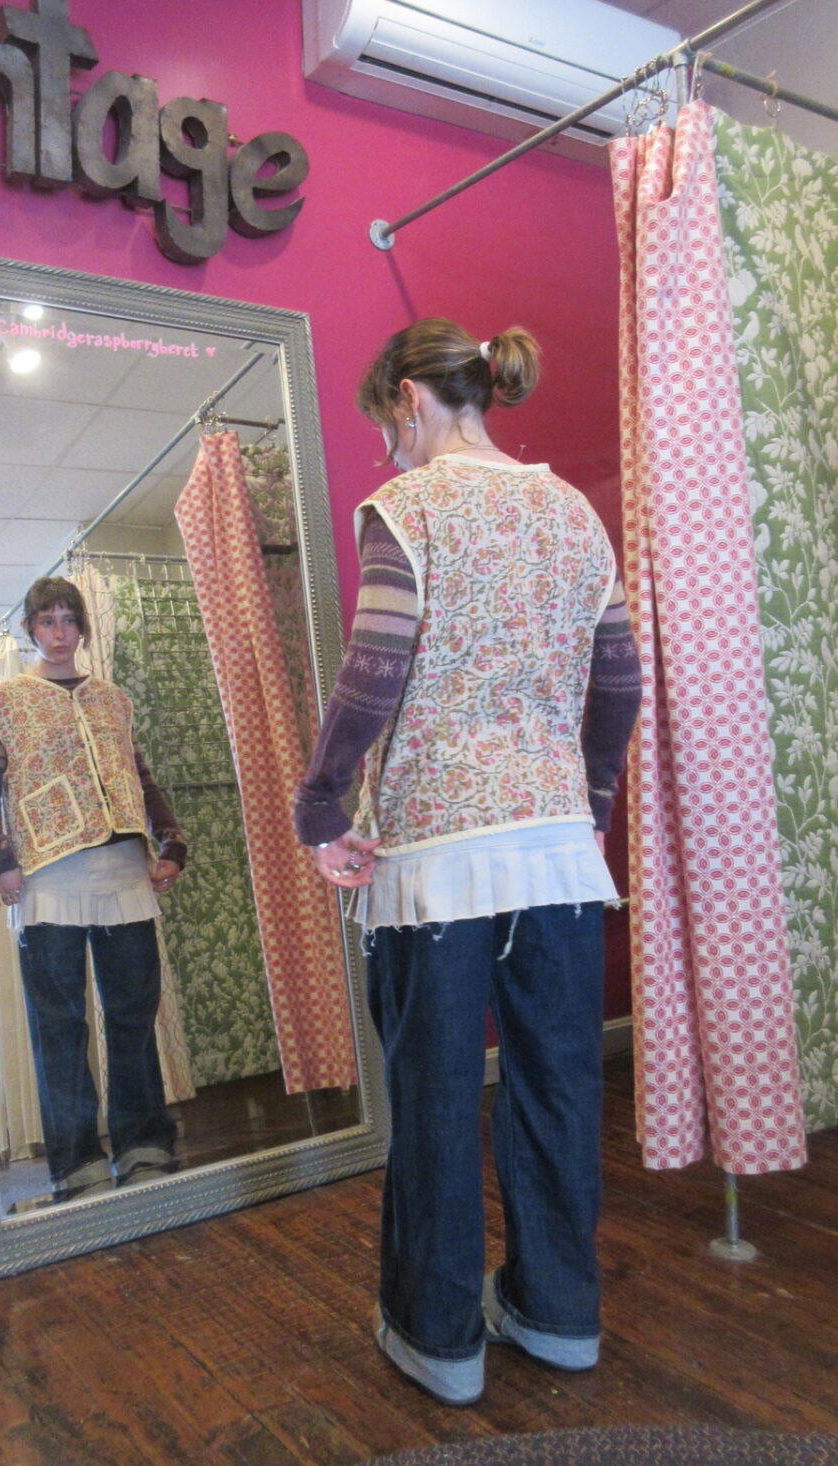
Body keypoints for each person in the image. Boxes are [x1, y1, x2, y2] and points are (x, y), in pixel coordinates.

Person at [294, 320, 642, 1405]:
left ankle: (440, 1339)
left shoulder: (410, 509)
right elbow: (619, 680)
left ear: (409, 399)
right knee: (556, 1090)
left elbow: (378, 662)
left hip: (437, 858)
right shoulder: (575, 513)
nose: (386, 450)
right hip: (553, 860)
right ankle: (559, 1314)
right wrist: (586, 803)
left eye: (382, 426)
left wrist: (318, 802)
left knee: (438, 1098)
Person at [0, 576, 186, 1202]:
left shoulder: (113, 698)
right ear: (30, 629)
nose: (60, 633)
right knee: (59, 1025)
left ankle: (144, 1142)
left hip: (122, 870)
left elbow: (139, 777)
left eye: (70, 620)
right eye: (48, 621)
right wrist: (0, 860)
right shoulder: (3, 701)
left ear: (83, 627)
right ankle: (74, 1162)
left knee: (131, 1016)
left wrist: (171, 843)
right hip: (47, 876)